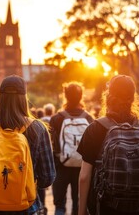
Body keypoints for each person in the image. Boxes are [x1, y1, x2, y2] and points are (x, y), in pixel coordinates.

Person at [77, 74, 139, 215]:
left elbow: (84, 177)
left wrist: (81, 212)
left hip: (104, 207)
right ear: (133, 98)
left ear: (108, 96)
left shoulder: (95, 129)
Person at [0, 75, 56, 214]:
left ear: (0, 97)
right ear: (24, 99)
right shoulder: (38, 128)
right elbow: (47, 178)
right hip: (26, 207)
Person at [49, 82, 94, 215]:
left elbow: (52, 143)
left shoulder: (56, 119)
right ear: (81, 96)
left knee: (59, 206)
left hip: (60, 166)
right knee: (78, 205)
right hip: (82, 168)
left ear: (65, 96)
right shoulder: (89, 118)